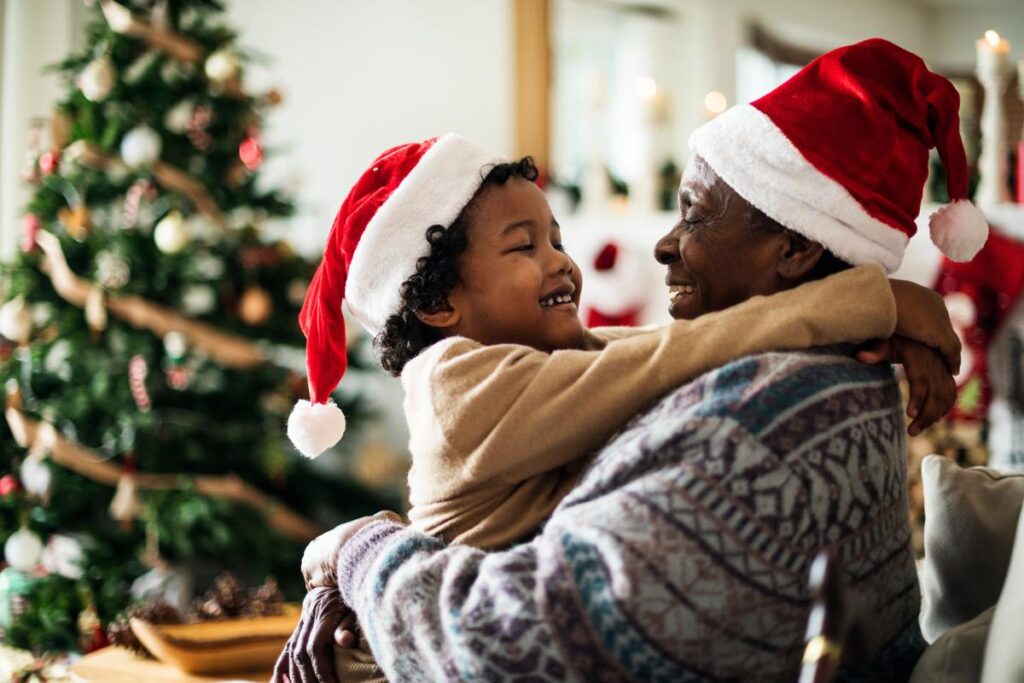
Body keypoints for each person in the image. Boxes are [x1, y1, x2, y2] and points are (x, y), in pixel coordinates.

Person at [277, 38, 984, 682]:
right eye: (525, 247)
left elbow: (654, 355)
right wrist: (872, 301)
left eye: (554, 238)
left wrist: (355, 550)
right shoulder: (455, 382)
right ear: (438, 305)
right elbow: (665, 358)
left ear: (794, 251)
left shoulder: (756, 425)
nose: (662, 245)